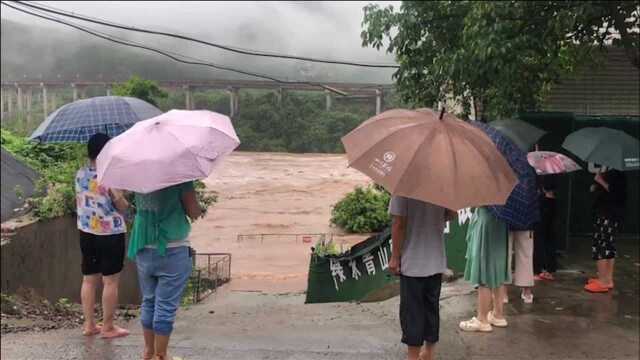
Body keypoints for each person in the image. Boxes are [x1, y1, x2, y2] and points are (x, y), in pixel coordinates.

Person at [129, 181, 202, 360]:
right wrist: (197, 209)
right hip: (173, 247)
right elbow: (193, 211)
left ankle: (149, 352)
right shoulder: (179, 177)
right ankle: (161, 355)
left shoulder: (138, 173)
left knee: (149, 301)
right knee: (165, 306)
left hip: (143, 245)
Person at [76, 133, 130, 338]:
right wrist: (120, 195)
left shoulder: (80, 174)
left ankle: (89, 325)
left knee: (89, 279)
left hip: (86, 232)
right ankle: (108, 327)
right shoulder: (109, 177)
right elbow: (122, 207)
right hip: (109, 234)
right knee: (110, 281)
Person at [389, 196, 455, 360]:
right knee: (431, 310)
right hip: (436, 261)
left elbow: (399, 224)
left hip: (413, 263)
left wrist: (395, 257)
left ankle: (413, 357)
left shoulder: (403, 189)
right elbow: (452, 215)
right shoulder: (441, 186)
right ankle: (429, 353)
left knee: (412, 313)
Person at [460, 207, 510, 332]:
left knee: (484, 269)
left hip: (486, 222)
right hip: (501, 223)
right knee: (497, 267)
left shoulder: (488, 189)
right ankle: (497, 314)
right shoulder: (506, 188)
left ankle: (482, 319)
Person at [585, 168, 626, 293]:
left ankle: (603, 281)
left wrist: (600, 180)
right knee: (608, 245)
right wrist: (596, 186)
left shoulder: (617, 173)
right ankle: (607, 279)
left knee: (601, 246)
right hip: (607, 213)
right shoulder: (612, 171)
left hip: (607, 214)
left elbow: (616, 193)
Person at [534, 174, 558, 281]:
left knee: (541, 236)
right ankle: (548, 268)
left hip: (545, 202)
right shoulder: (553, 169)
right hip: (550, 201)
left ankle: (542, 269)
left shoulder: (544, 171)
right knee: (548, 236)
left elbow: (548, 186)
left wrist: (543, 190)